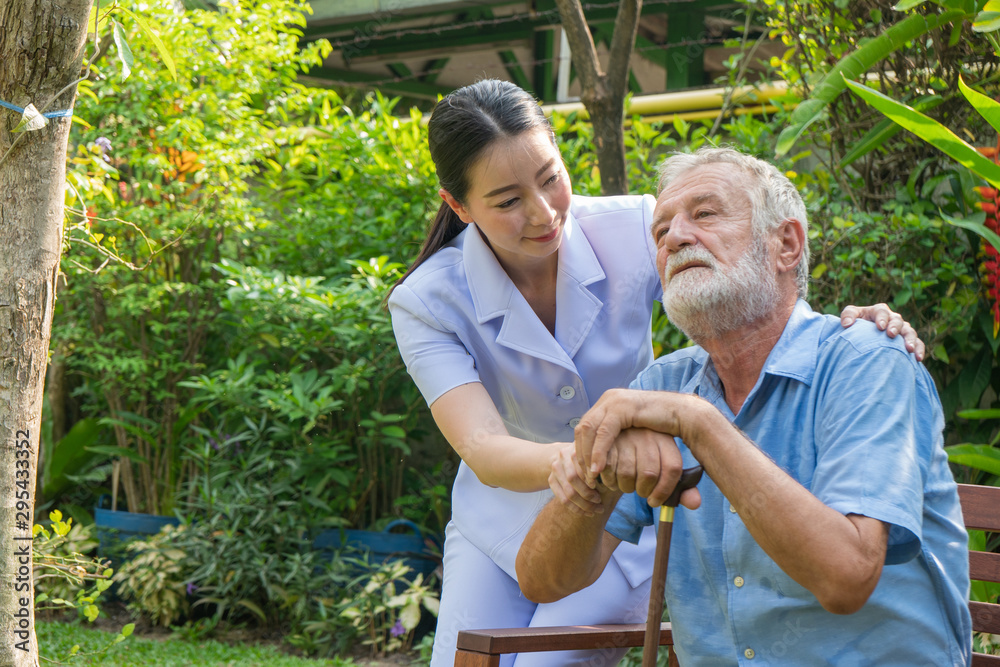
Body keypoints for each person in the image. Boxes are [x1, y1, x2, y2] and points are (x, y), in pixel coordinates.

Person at [388, 80, 924, 667]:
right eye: (508, 201)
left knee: (547, 662)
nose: (544, 213)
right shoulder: (426, 299)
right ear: (459, 206)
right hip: (505, 515)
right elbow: (485, 448)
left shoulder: (637, 226)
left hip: (623, 519)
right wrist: (604, 454)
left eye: (550, 177)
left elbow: (744, 284)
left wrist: (855, 322)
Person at [516, 147, 971, 666]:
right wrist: (591, 480)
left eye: (705, 214)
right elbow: (542, 580)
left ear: (786, 244)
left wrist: (699, 422)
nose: (676, 238)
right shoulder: (666, 383)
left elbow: (846, 577)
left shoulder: (867, 362)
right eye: (660, 233)